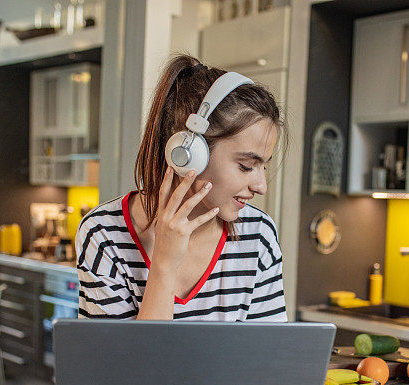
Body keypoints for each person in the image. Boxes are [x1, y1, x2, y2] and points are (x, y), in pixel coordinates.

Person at [75, 54, 287, 322]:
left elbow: (271, 358)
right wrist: (164, 265)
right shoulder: (104, 234)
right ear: (190, 153)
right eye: (246, 165)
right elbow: (126, 364)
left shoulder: (259, 235)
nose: (261, 186)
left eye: (263, 166)